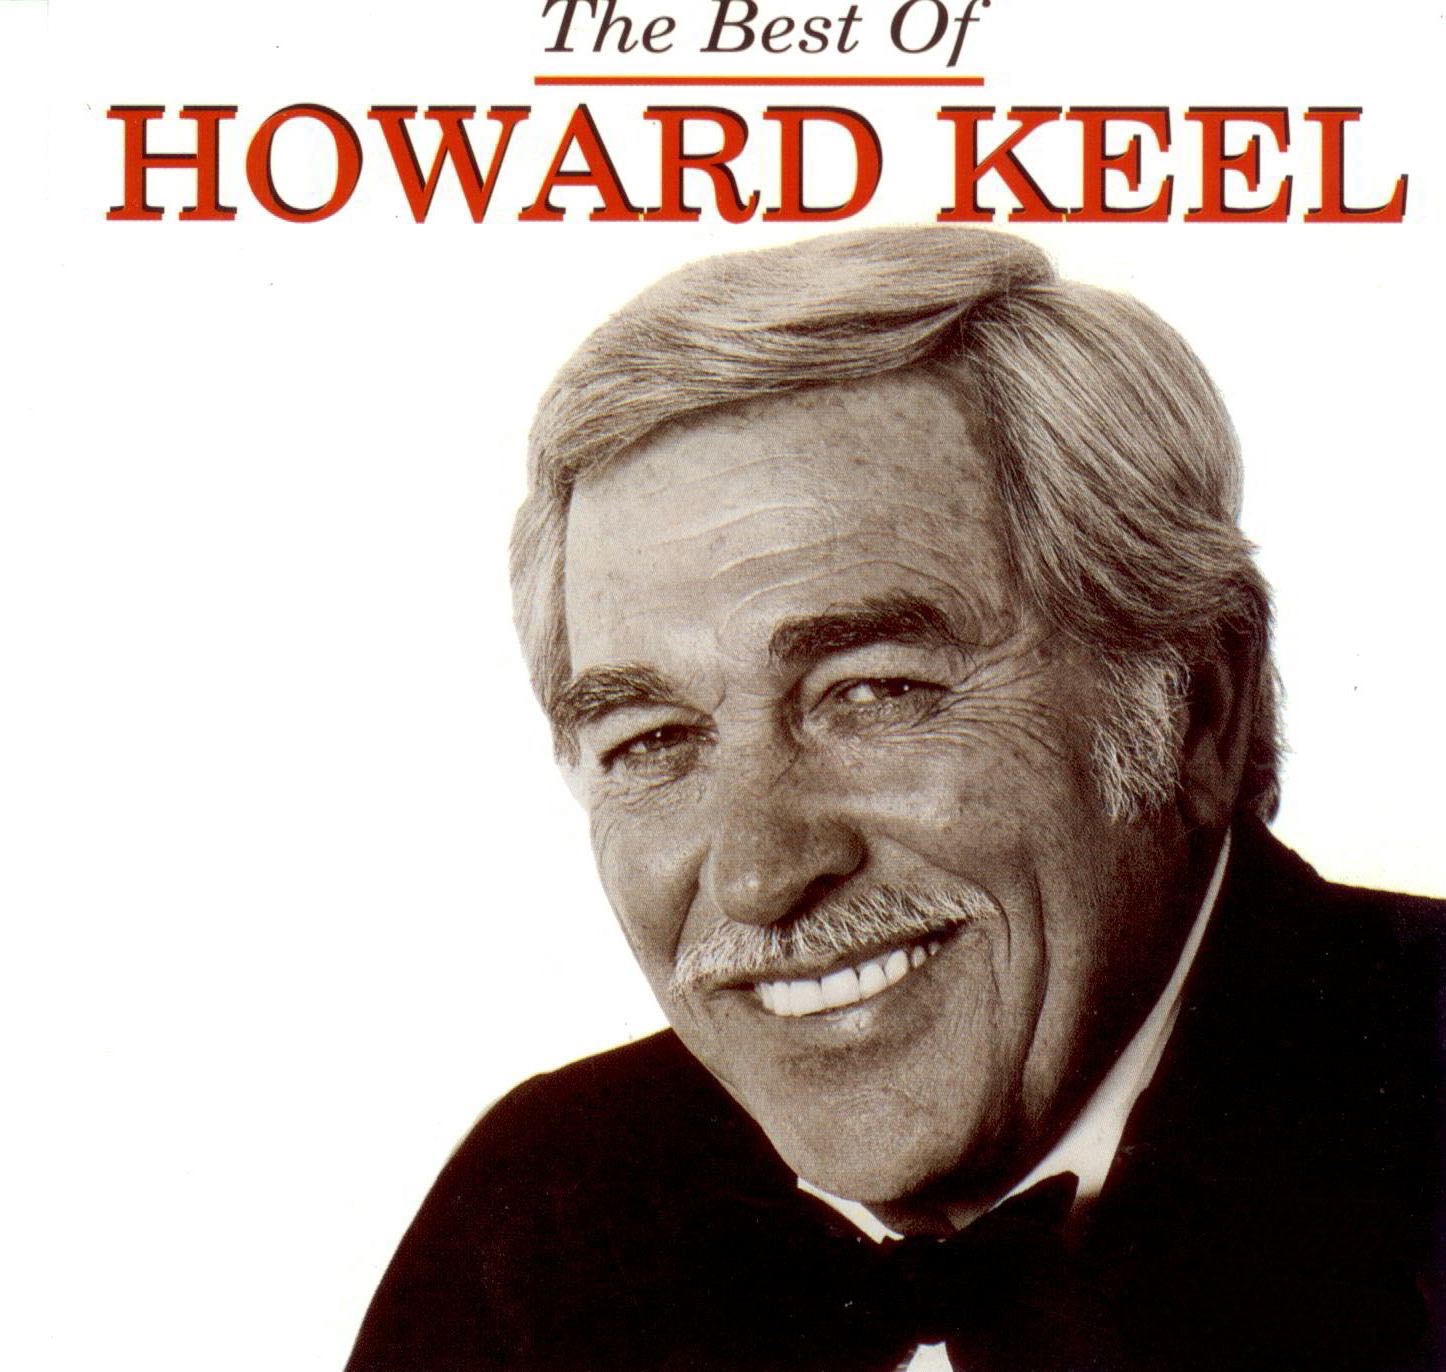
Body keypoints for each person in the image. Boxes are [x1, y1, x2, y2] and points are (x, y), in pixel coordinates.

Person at [346, 228, 1444, 1371]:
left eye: (873, 693)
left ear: (1196, 707)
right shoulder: (540, 1217)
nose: (759, 874)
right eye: (655, 739)